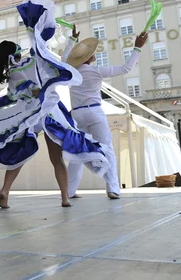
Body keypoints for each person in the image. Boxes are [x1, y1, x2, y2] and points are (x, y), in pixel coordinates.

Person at [0, 0, 109, 209]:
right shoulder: (33, 61)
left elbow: (31, 78)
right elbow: (56, 61)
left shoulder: (12, 73)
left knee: (22, 151)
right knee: (57, 158)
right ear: (16, 53)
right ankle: (65, 198)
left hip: (29, 114)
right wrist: (69, 41)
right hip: (49, 110)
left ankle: (5, 191)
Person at [62, 28, 148, 200]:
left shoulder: (71, 72)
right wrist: (137, 47)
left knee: (77, 154)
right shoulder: (96, 71)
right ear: (90, 58)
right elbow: (125, 68)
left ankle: (69, 191)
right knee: (107, 148)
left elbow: (64, 59)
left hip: (77, 115)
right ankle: (113, 188)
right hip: (94, 112)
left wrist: (71, 39)